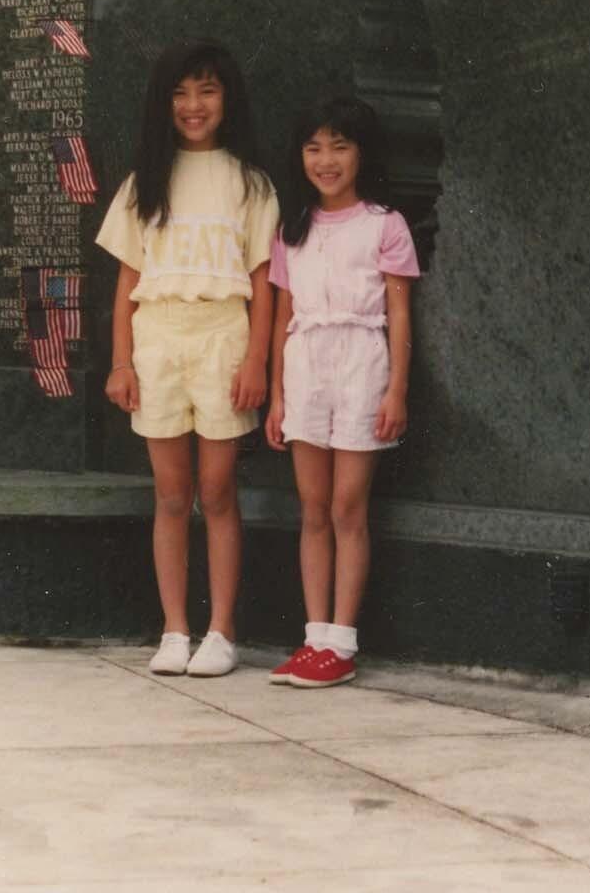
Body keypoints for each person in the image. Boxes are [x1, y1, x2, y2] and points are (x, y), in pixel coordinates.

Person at [98, 40, 278, 677]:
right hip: (159, 337)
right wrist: (121, 362)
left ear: (227, 99)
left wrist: (256, 361)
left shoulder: (250, 183)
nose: (193, 105)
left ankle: (221, 631)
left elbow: (263, 283)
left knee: (218, 489)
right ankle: (174, 629)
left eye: (206, 90)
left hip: (223, 335)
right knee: (172, 493)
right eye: (179, 93)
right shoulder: (144, 183)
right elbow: (127, 281)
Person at [263, 96, 419, 688]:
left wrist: (396, 390)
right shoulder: (292, 229)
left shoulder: (384, 224)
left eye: (339, 146)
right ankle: (314, 637)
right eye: (314, 148)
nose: (326, 161)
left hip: (361, 363)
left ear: (361, 153)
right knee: (312, 507)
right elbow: (282, 316)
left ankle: (343, 642)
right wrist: (278, 396)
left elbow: (399, 314)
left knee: (347, 506)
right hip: (305, 365)